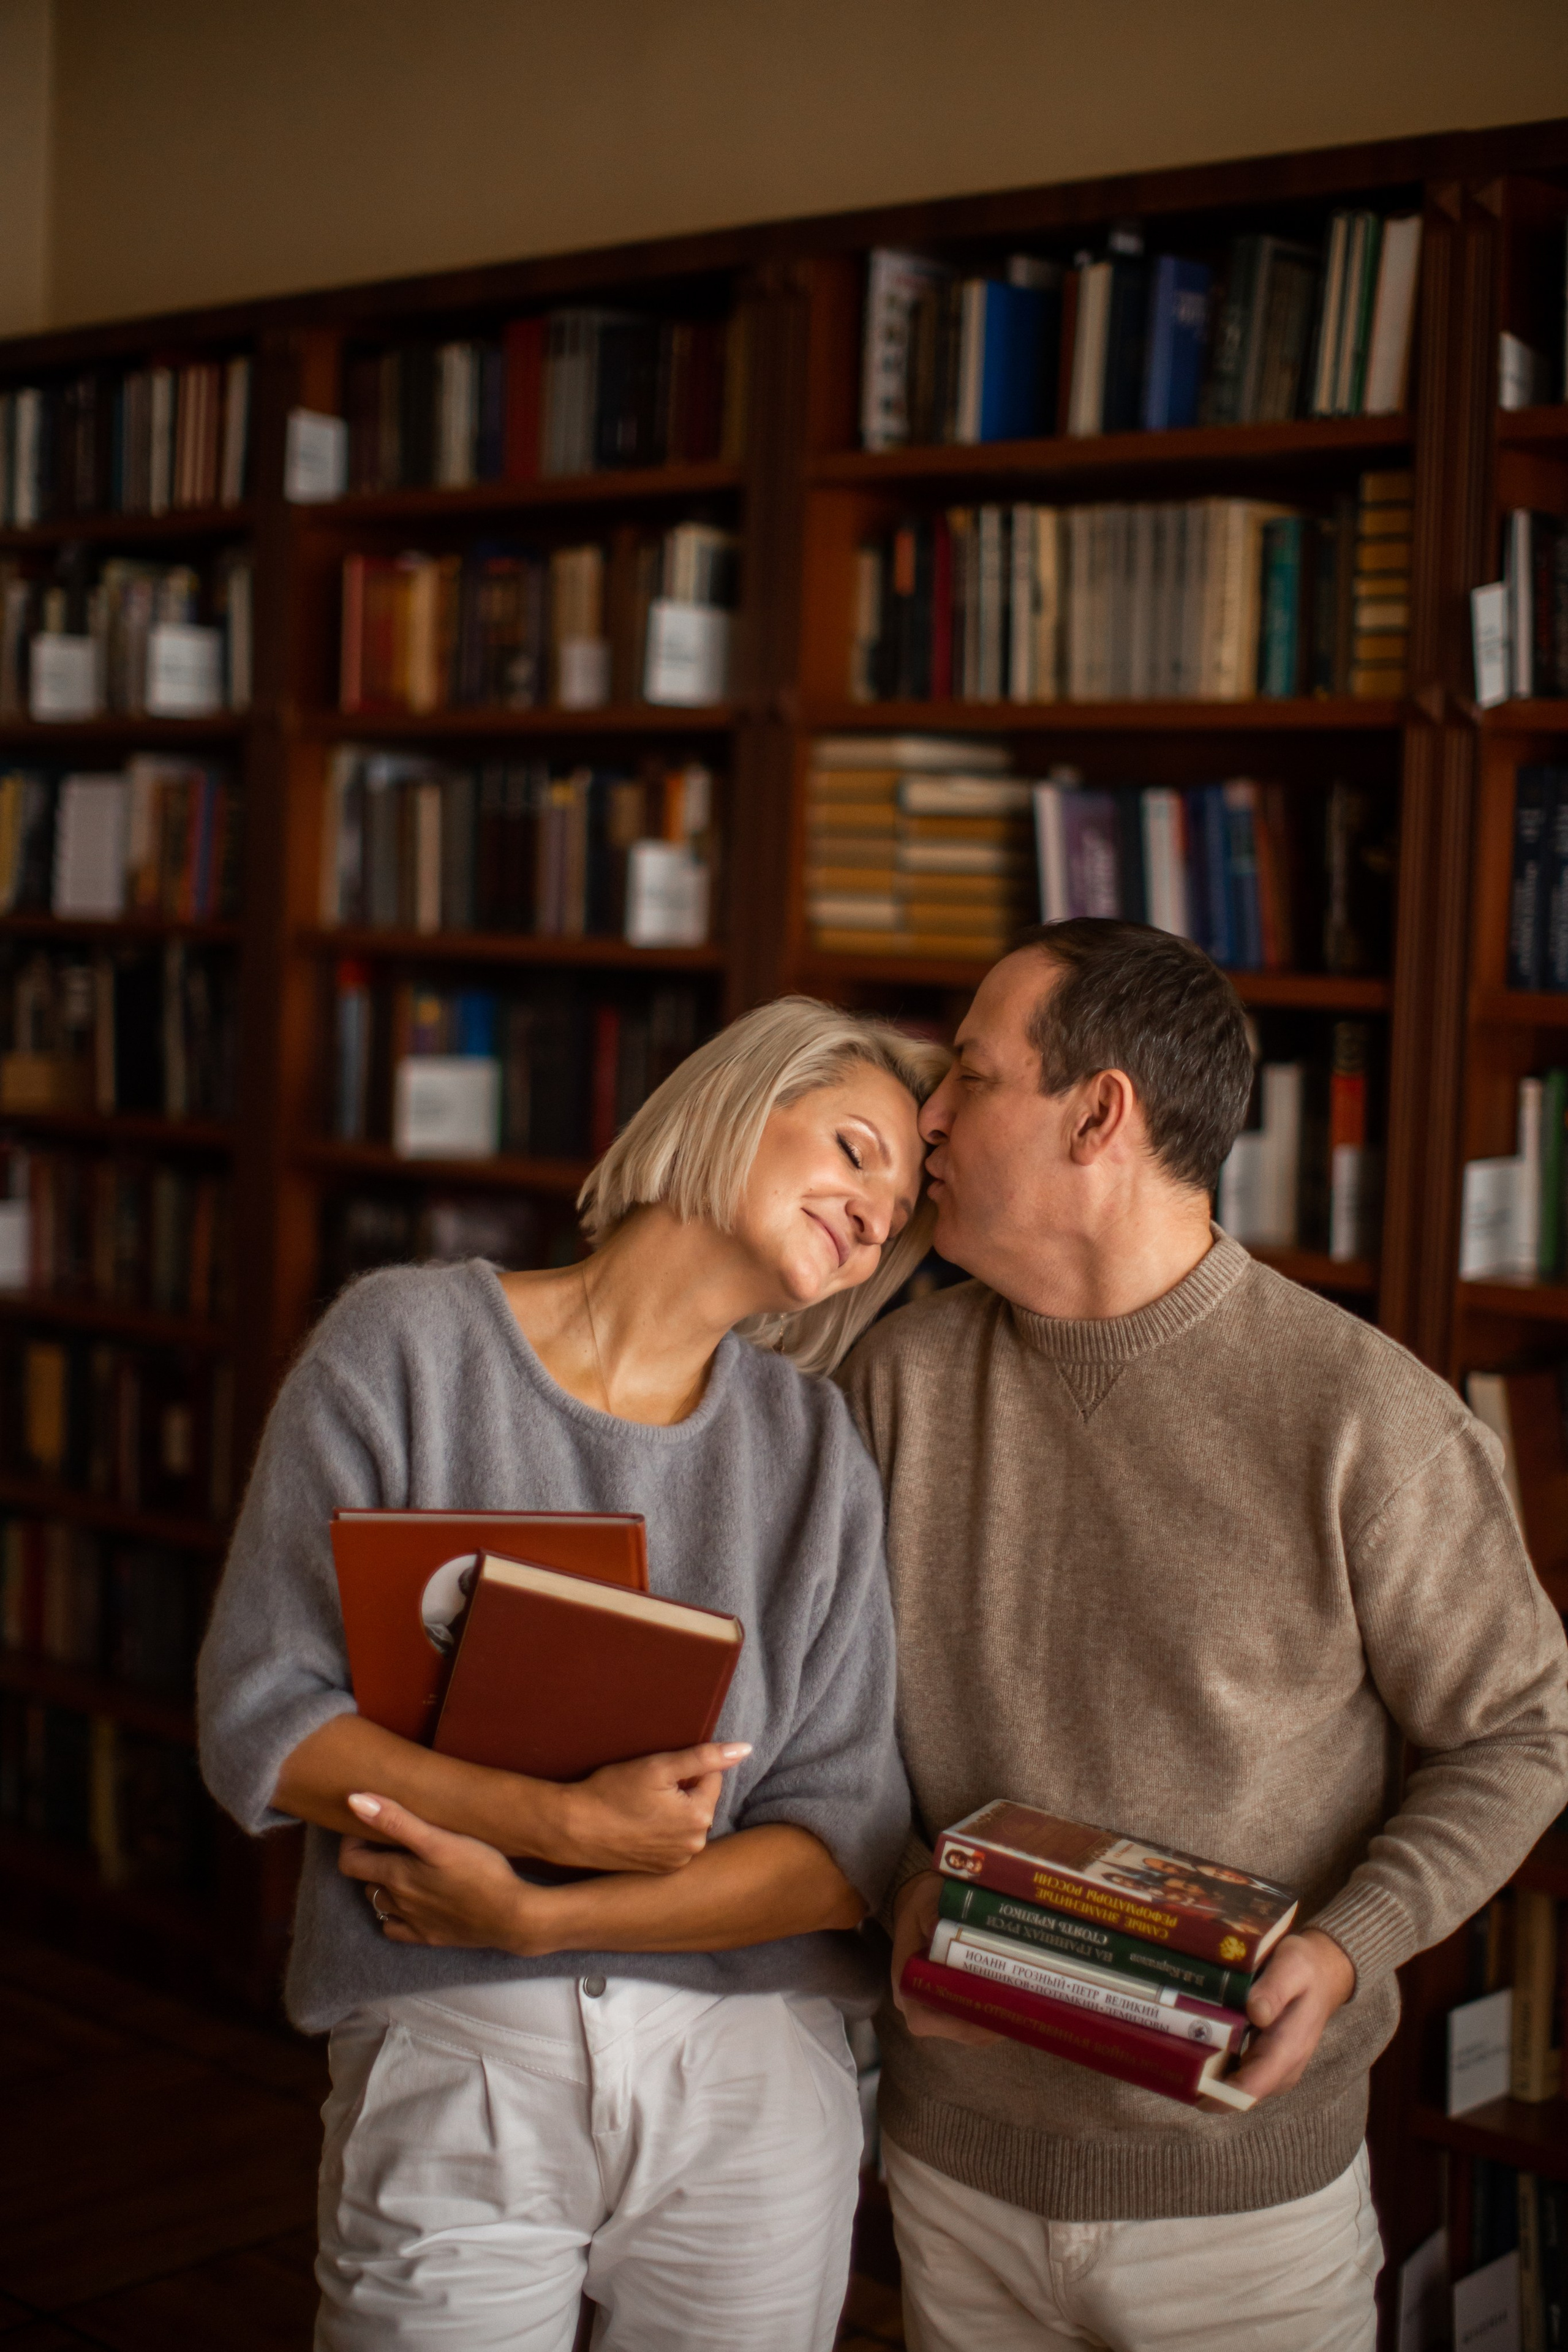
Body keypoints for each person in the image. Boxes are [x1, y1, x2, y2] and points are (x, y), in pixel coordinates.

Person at [839, 919, 1568, 2352]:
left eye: (968, 1079)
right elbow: (826, 1723)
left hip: (1247, 2209)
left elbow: (1519, 1735)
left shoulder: (1368, 1420)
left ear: (1096, 1113)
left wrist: (1352, 1947)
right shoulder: (893, 1382)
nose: (921, 1114)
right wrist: (899, 1888)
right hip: (948, 2168)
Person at [197, 997, 948, 2352]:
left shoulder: (813, 1448)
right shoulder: (406, 1348)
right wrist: (562, 1827)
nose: (871, 1212)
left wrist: (547, 1910)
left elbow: (845, 1847)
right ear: (732, 1103)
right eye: (851, 1148)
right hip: (456, 2052)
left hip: (750, 2075)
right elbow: (266, 1719)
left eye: (897, 1210)